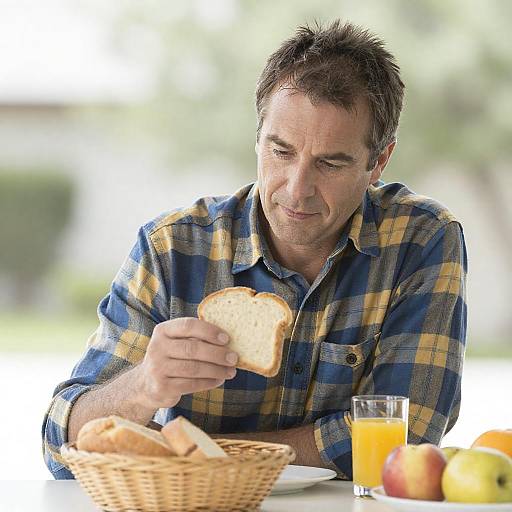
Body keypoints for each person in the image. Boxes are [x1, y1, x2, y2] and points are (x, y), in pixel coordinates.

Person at [42, 20, 467, 480]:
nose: (297, 189)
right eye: (281, 151)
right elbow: (60, 444)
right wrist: (144, 385)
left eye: (329, 163)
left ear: (378, 162)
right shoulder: (171, 249)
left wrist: (200, 454)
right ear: (258, 135)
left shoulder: (420, 240)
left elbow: (409, 433)